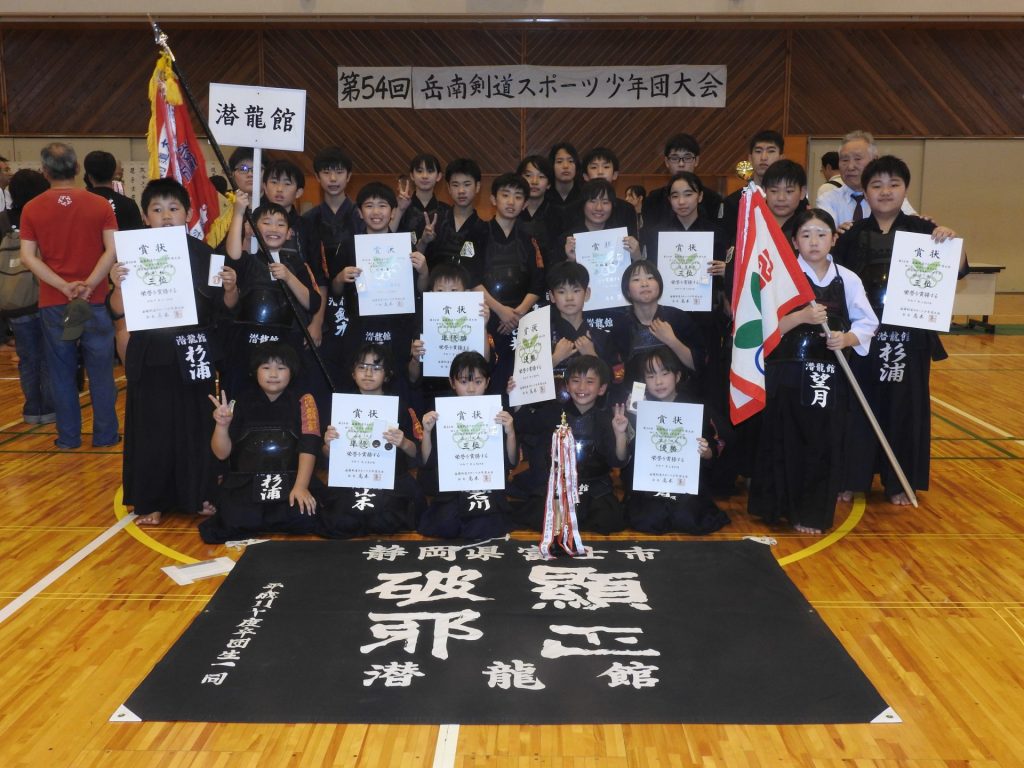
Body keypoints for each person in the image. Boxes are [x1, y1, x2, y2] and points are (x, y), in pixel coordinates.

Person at [832, 155, 963, 505]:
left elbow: (958, 269)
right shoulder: (851, 234)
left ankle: (900, 481)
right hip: (863, 336)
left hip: (909, 337)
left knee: (905, 408)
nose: (885, 191)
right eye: (876, 185)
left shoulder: (924, 230)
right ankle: (851, 477)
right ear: (865, 191)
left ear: (905, 189)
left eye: (894, 184)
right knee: (857, 406)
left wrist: (950, 241)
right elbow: (834, 280)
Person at [109, 178, 240, 526]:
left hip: (193, 349)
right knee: (152, 427)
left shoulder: (207, 255)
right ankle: (151, 500)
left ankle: (200, 494)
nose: (166, 216)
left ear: (188, 213)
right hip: (151, 351)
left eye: (173, 208)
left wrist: (231, 288)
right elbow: (117, 310)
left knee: (197, 425)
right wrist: (117, 284)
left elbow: (224, 308)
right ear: (145, 216)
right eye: (157, 209)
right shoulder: (132, 255)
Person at [748, 209, 878, 534]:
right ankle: (782, 508)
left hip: (830, 375)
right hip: (788, 372)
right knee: (786, 440)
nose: (814, 241)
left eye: (821, 234)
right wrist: (800, 318)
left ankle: (812, 512)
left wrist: (846, 338)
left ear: (833, 239)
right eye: (806, 235)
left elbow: (868, 322)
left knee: (823, 442)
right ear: (794, 241)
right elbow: (763, 326)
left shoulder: (848, 279)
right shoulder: (782, 278)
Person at [18, 142, 119, 450]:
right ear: (77, 168)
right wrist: (89, 283)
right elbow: (113, 249)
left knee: (61, 372)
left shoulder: (32, 208)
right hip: (94, 299)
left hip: (55, 302)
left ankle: (69, 437)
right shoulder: (100, 204)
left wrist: (63, 286)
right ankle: (106, 436)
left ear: (44, 171)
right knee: (101, 372)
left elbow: (27, 257)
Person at [199, 342, 324, 544]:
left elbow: (309, 445)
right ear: (255, 371)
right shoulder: (239, 402)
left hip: (291, 479)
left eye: (281, 368)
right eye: (266, 367)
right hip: (247, 481)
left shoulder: (305, 401)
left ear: (292, 372)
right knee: (235, 520)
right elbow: (221, 453)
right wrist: (222, 425)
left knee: (303, 517)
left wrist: (301, 487)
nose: (273, 374)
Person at [511, 355, 630, 534]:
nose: (582, 387)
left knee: (607, 520)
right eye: (575, 381)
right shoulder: (552, 413)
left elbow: (617, 461)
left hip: (594, 486)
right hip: (558, 486)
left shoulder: (606, 419)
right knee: (540, 516)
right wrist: (517, 394)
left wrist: (620, 434)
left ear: (602, 388)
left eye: (590, 381)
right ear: (567, 385)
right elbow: (522, 423)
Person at [328, 182, 425, 390]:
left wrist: (424, 270)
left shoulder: (404, 246)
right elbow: (335, 292)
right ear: (360, 212)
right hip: (360, 327)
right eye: (369, 206)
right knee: (358, 381)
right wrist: (340, 278)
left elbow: (421, 288)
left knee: (396, 382)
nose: (376, 212)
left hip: (397, 328)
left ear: (393, 212)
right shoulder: (349, 246)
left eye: (382, 205)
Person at [319, 343, 424, 537]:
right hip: (351, 476)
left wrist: (403, 442)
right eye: (362, 367)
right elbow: (326, 453)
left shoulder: (399, 406)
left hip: (390, 479)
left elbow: (416, 452)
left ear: (387, 374)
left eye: (376, 368)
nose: (368, 373)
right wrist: (328, 445)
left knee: (385, 520)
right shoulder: (341, 406)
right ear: (353, 373)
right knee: (341, 522)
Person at [625, 348, 729, 535]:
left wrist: (706, 451)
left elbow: (713, 449)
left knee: (687, 518)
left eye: (665, 374)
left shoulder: (694, 408)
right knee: (649, 519)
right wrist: (634, 418)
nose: (658, 382)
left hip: (685, 482)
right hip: (652, 482)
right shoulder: (640, 408)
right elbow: (630, 453)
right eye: (651, 376)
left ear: (678, 376)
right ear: (644, 382)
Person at [223, 198, 320, 398]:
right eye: (266, 222)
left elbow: (313, 304)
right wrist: (239, 213)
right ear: (253, 229)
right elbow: (232, 257)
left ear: (289, 233)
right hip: (248, 342)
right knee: (245, 396)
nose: (273, 228)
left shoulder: (296, 264)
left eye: (280, 224)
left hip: (285, 344)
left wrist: (289, 277)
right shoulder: (248, 262)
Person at [417, 351, 516, 539]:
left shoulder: (496, 411)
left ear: (487, 382)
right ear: (452, 382)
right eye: (463, 382)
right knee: (446, 524)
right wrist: (427, 432)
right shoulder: (442, 412)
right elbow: (428, 461)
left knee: (485, 524)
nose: (471, 389)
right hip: (453, 488)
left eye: (478, 382)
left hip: (486, 486)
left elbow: (511, 462)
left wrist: (510, 432)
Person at [302, 146, 362, 390]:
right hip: (322, 306)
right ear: (317, 177)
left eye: (339, 172)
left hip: (358, 304)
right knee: (323, 375)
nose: (333, 178)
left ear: (349, 176)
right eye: (327, 172)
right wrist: (316, 321)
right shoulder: (308, 220)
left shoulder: (361, 216)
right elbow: (310, 271)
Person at [478, 173, 544, 394]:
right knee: (488, 377)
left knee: (518, 382)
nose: (511, 201)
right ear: (493, 199)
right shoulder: (478, 233)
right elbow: (470, 279)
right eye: (505, 195)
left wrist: (516, 314)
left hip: (521, 320)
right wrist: (501, 311)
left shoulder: (531, 237)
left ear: (525, 204)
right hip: (488, 317)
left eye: (518, 197)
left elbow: (538, 282)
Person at [1, 169, 54, 424]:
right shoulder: (46, 218)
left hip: (15, 298)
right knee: (49, 353)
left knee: (27, 356)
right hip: (47, 294)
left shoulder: (2, 220)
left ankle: (32, 408)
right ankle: (50, 407)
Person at [408, 262, 491, 411]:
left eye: (454, 290)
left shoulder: (476, 319)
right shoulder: (424, 325)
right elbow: (413, 378)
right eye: (440, 291)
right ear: (431, 293)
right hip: (432, 394)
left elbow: (485, 362)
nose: (447, 295)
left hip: (469, 394)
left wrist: (482, 326)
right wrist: (415, 359)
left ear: (466, 293)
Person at [609, 260, 704, 390]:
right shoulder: (621, 325)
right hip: (635, 398)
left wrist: (672, 341)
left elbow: (699, 365)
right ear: (627, 291)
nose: (644, 284)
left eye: (650, 278)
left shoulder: (677, 318)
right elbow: (615, 373)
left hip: (678, 396)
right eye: (636, 279)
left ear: (659, 285)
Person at [816, 131, 917, 231]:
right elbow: (822, 234)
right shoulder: (828, 200)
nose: (850, 167)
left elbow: (913, 225)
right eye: (845, 160)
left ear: (874, 160)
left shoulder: (888, 196)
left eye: (857, 159)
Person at [416, 157, 487, 288]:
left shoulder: (484, 229)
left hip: (467, 297)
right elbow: (415, 261)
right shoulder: (432, 221)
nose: (461, 191)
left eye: (467, 184)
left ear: (477, 187)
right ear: (448, 188)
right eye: (455, 185)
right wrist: (424, 241)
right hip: (434, 294)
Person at [642, 133, 723, 230]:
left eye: (687, 158)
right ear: (667, 162)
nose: (681, 164)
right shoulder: (653, 200)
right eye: (675, 158)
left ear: (696, 160)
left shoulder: (713, 200)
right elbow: (648, 234)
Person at [721, 130, 785, 238]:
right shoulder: (734, 201)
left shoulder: (789, 201)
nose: (763, 157)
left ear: (781, 158)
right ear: (750, 158)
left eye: (771, 151)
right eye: (758, 151)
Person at [517, 154, 564, 269]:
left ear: (549, 184)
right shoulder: (511, 211)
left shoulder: (559, 214)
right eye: (528, 175)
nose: (534, 181)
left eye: (541, 176)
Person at [83, 150, 144, 232]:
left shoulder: (80, 204)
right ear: (113, 175)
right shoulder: (129, 204)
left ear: (89, 177)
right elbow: (138, 236)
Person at [395, 153, 449, 241]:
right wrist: (399, 210)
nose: (424, 176)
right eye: (419, 171)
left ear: (438, 176)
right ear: (412, 175)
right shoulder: (400, 208)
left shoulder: (447, 211)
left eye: (430, 171)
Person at [762, 159, 810, 239]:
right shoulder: (751, 226)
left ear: (802, 192)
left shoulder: (808, 230)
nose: (781, 198)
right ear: (764, 191)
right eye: (774, 191)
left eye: (789, 191)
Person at [545, 142, 582, 209]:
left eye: (570, 161)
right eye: (559, 161)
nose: (565, 166)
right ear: (552, 165)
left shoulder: (584, 194)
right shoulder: (544, 196)